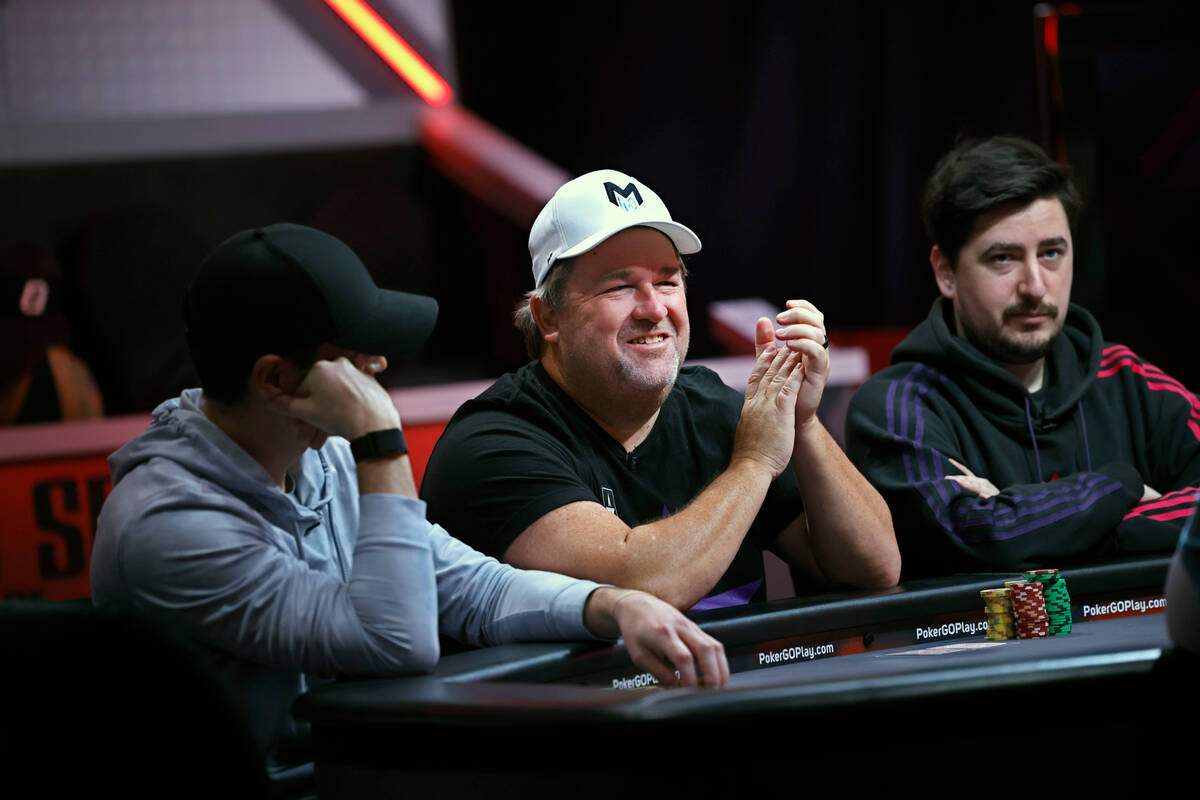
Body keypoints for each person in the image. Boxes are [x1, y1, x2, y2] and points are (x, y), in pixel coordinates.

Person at [91, 223, 728, 784]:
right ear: (277, 381)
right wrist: (379, 439)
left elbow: (471, 588)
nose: (379, 363)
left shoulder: (319, 459)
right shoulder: (167, 525)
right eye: (353, 354)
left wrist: (612, 605)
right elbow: (395, 642)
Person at [420, 170, 898, 611]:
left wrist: (802, 421)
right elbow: (645, 586)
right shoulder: (491, 445)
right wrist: (754, 463)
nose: (653, 308)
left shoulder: (713, 409)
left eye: (668, 281)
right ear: (548, 316)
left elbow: (873, 568)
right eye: (619, 286)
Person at [845, 136, 1200, 578]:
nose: (1035, 285)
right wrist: (1119, 486)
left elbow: (996, 540)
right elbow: (968, 539)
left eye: (1051, 253)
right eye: (1003, 258)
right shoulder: (897, 407)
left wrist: (1053, 528)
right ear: (945, 272)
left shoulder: (1128, 378)